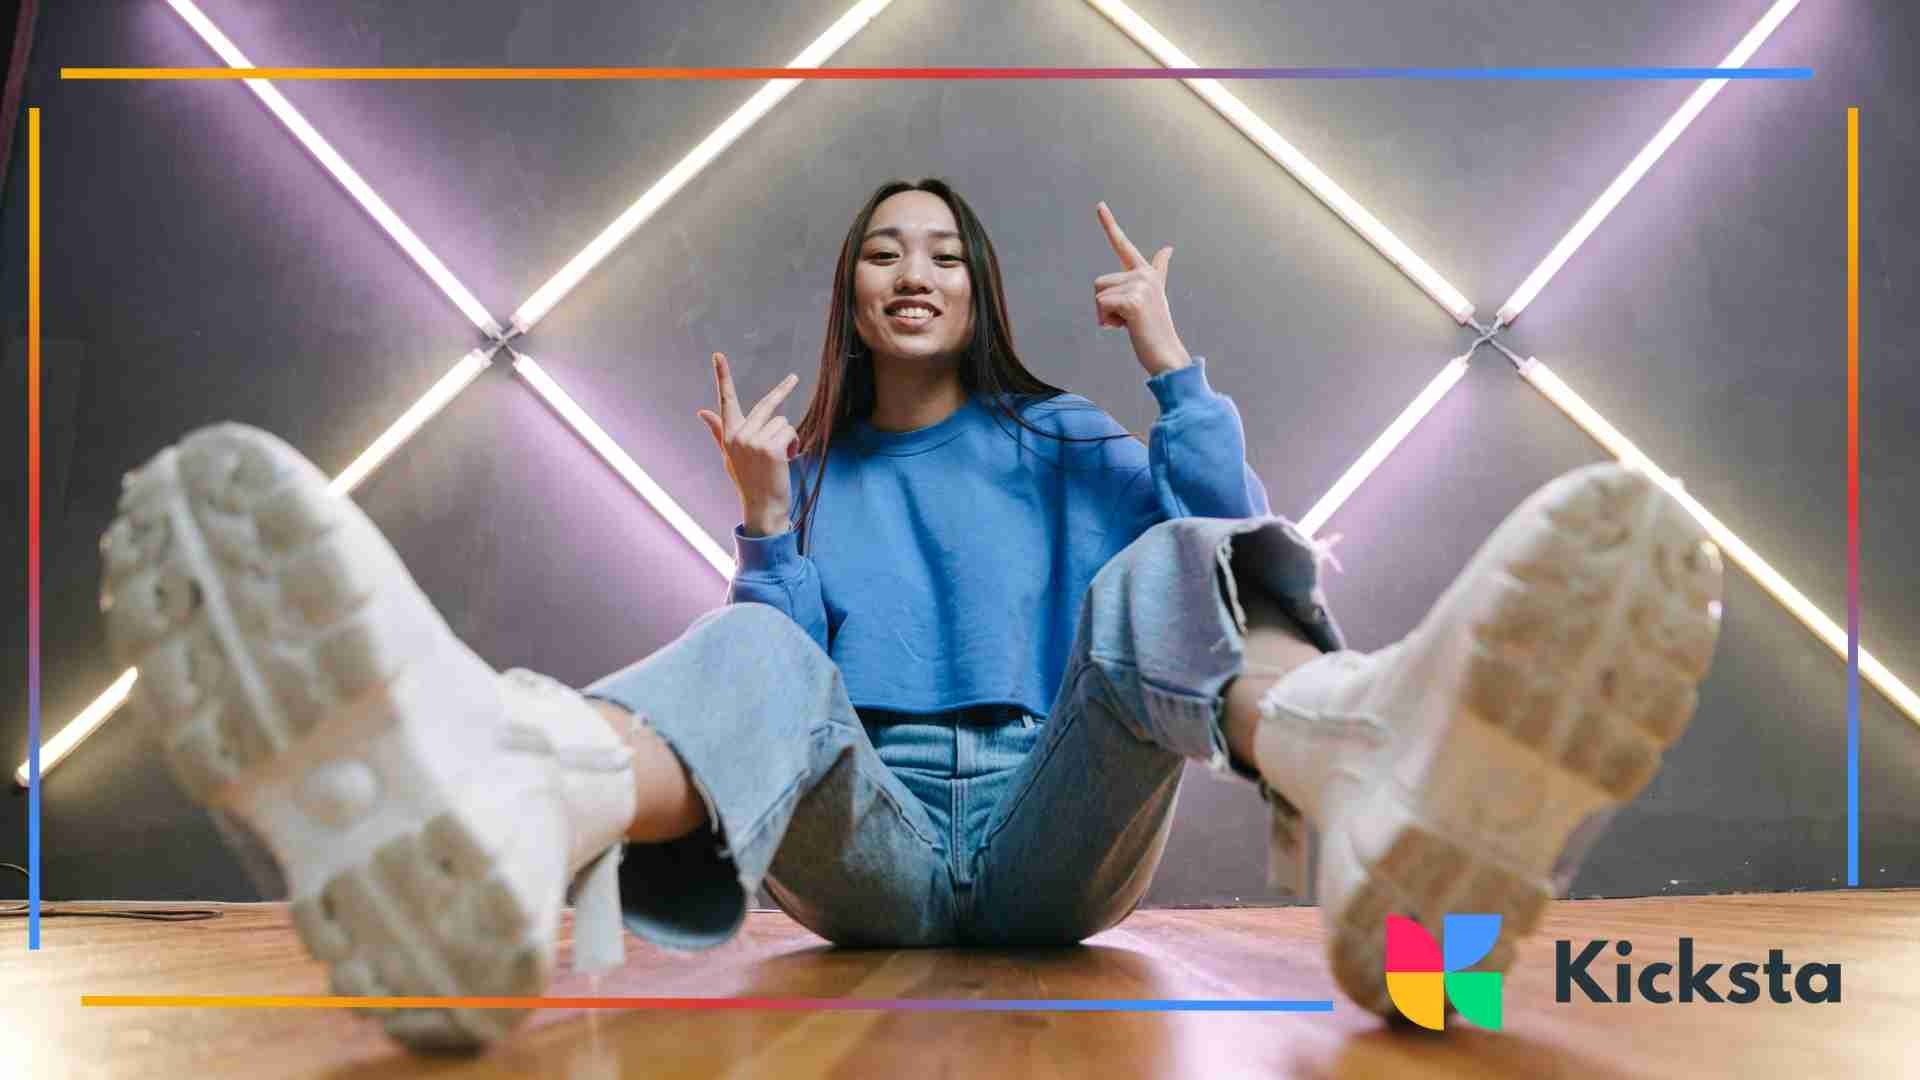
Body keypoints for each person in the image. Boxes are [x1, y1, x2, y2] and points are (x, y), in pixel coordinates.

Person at [99, 178, 1723, 1053]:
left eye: (942, 250)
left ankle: (1368, 768)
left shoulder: (1068, 439)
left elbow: (1217, 541)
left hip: (1048, 835)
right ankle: (515, 796)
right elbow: (774, 674)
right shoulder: (808, 473)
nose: (913, 270)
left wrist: (1167, 357)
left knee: (1156, 577)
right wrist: (755, 518)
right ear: (855, 292)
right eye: (884, 251)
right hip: (867, 854)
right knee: (770, 645)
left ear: (979, 286)